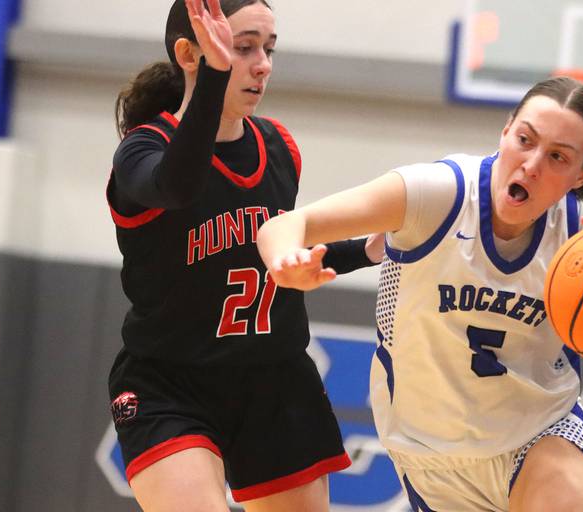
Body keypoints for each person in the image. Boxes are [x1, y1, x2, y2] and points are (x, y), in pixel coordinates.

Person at [257, 76, 583, 511]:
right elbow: (283, 226)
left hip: (539, 433)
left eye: (558, 157)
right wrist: (284, 264)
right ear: (505, 131)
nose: (532, 164)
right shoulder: (436, 194)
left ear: (582, 175)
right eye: (525, 140)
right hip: (428, 450)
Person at [106, 1, 382, 510]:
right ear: (189, 54)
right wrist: (213, 77)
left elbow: (280, 248)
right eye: (243, 47)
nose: (263, 64)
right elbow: (179, 185)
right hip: (170, 384)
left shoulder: (279, 147)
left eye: (269, 49)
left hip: (273, 380)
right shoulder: (142, 152)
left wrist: (372, 248)